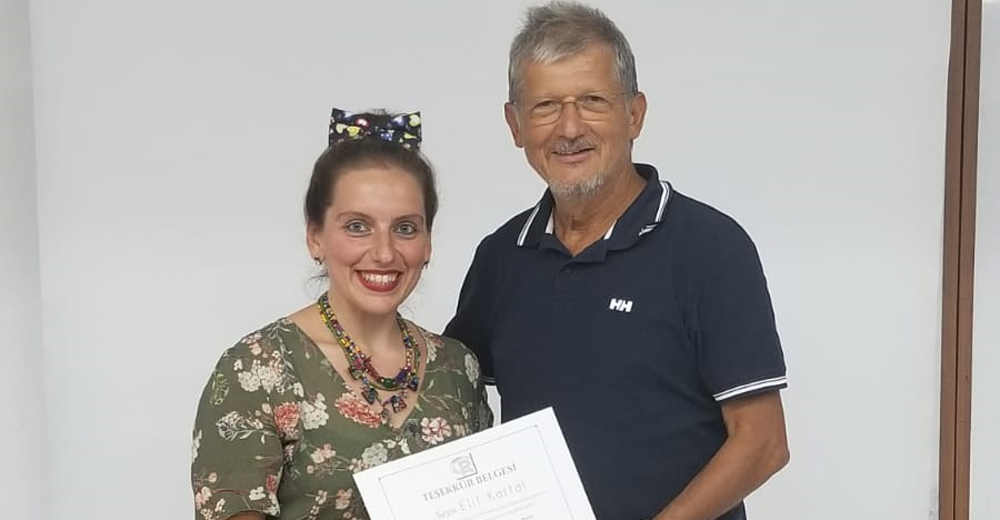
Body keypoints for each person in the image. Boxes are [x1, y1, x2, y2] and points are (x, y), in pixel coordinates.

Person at [444, 3, 789, 520]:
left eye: (593, 101)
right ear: (515, 124)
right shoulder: (501, 257)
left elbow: (763, 443)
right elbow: (442, 392)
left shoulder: (710, 248)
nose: (569, 128)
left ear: (634, 114)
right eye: (545, 106)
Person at [191, 108, 493, 520]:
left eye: (405, 228)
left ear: (427, 243)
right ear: (315, 236)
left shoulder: (459, 369)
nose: (384, 252)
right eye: (357, 226)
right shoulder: (257, 370)